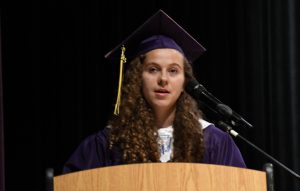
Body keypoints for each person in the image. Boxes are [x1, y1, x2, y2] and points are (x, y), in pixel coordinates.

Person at [63, 10, 246, 174]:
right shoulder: (107, 144)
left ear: (185, 82)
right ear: (137, 79)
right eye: (153, 69)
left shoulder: (214, 141)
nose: (163, 79)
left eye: (173, 70)